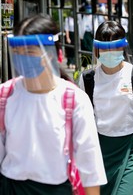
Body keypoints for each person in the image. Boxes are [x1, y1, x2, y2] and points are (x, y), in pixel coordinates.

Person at [0, 13, 107, 194]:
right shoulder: (5, 95)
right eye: (17, 53)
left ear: (51, 54)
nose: (22, 59)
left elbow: (90, 167)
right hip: (11, 188)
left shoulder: (74, 100)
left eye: (30, 52)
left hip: (58, 189)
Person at [79, 20, 133, 195]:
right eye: (104, 48)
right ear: (96, 49)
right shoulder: (87, 79)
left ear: (123, 47)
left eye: (115, 47)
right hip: (99, 149)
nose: (109, 52)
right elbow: (80, 123)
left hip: (131, 148)